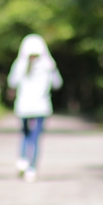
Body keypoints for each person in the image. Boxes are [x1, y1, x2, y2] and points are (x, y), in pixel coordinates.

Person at [7, 34, 62, 182]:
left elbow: (12, 82)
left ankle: (23, 160)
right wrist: (53, 69)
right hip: (41, 107)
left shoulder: (19, 64)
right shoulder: (48, 64)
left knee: (25, 134)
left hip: (23, 106)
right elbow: (58, 84)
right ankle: (32, 168)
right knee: (36, 138)